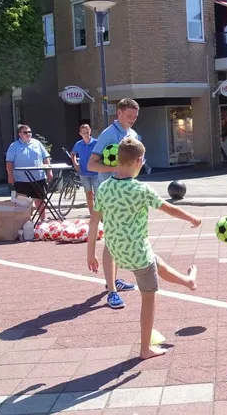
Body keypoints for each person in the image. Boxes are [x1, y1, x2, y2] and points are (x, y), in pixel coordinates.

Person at [86, 137, 200, 359]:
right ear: (139, 161)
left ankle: (188, 281)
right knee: (148, 298)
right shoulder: (140, 189)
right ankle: (145, 349)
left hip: (117, 252)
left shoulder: (104, 188)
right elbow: (169, 209)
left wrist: (90, 254)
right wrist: (192, 218)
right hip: (138, 254)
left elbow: (93, 222)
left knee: (156, 263)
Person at [88, 98, 142, 309]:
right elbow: (91, 165)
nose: (133, 119)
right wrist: (116, 169)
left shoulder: (133, 134)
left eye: (135, 116)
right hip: (109, 195)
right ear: (118, 113)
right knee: (111, 242)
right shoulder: (108, 135)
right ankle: (112, 291)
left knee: (119, 240)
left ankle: (114, 280)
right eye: (129, 116)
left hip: (126, 194)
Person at [5, 124, 53, 222]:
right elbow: (9, 162)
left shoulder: (37, 143)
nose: (28, 134)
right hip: (21, 179)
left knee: (40, 200)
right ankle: (24, 222)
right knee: (22, 202)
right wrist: (10, 175)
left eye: (30, 132)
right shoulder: (14, 146)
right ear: (20, 134)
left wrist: (49, 171)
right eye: (25, 132)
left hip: (38, 177)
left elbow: (45, 157)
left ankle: (43, 220)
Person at [69, 124, 99, 215]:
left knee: (98, 195)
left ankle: (99, 215)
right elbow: (73, 154)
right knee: (89, 194)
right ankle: (92, 215)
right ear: (80, 134)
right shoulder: (78, 144)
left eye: (87, 132)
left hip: (96, 173)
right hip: (84, 173)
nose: (86, 134)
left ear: (90, 131)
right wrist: (75, 164)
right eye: (84, 133)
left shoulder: (96, 142)